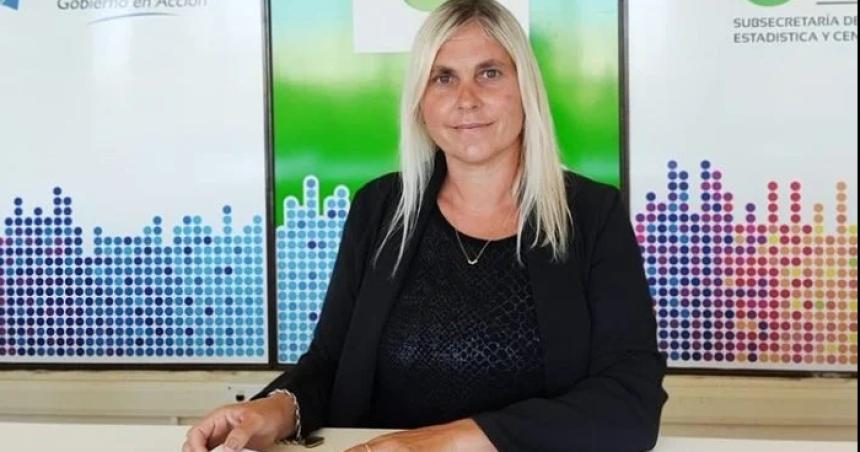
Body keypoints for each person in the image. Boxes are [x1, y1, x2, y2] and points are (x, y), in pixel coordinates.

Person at [183, 1, 667, 451]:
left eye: (490, 73)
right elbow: (330, 363)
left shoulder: (592, 215)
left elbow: (631, 399)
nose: (466, 99)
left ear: (526, 89)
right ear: (420, 101)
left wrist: (445, 442)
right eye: (443, 78)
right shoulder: (378, 209)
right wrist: (277, 408)